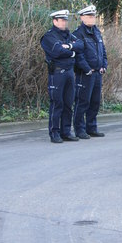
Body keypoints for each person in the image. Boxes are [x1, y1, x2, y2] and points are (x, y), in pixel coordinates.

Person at [40, 10, 84, 143]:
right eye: (62, 20)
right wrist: (72, 53)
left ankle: (66, 131)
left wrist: (69, 46)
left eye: (66, 20)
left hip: (70, 72)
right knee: (57, 103)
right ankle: (54, 133)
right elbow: (57, 51)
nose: (65, 22)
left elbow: (81, 45)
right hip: (57, 73)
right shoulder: (49, 36)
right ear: (55, 21)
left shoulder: (68, 35)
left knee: (68, 103)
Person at [72, 5, 107, 139]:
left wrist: (104, 65)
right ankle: (80, 129)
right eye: (89, 16)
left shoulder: (97, 32)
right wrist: (87, 69)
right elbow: (78, 55)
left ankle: (91, 128)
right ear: (82, 18)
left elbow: (103, 51)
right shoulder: (77, 34)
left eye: (93, 16)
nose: (92, 18)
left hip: (98, 73)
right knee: (83, 102)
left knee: (95, 102)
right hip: (85, 74)